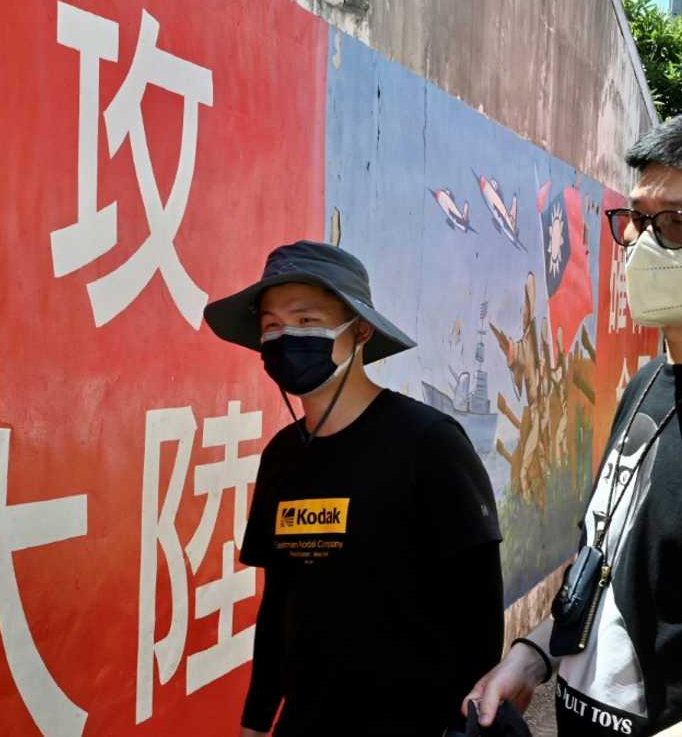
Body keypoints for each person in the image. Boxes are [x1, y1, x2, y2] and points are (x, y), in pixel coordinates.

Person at [464, 105, 682, 736]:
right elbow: (610, 555)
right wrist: (533, 655)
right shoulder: (647, 384)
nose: (642, 246)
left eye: (675, 223)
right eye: (638, 221)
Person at [203, 240, 504, 736]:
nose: (286, 337)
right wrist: (257, 721)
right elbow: (279, 603)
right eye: (272, 326)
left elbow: (478, 613)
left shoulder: (429, 445)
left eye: (306, 321)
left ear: (360, 330)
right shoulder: (282, 457)